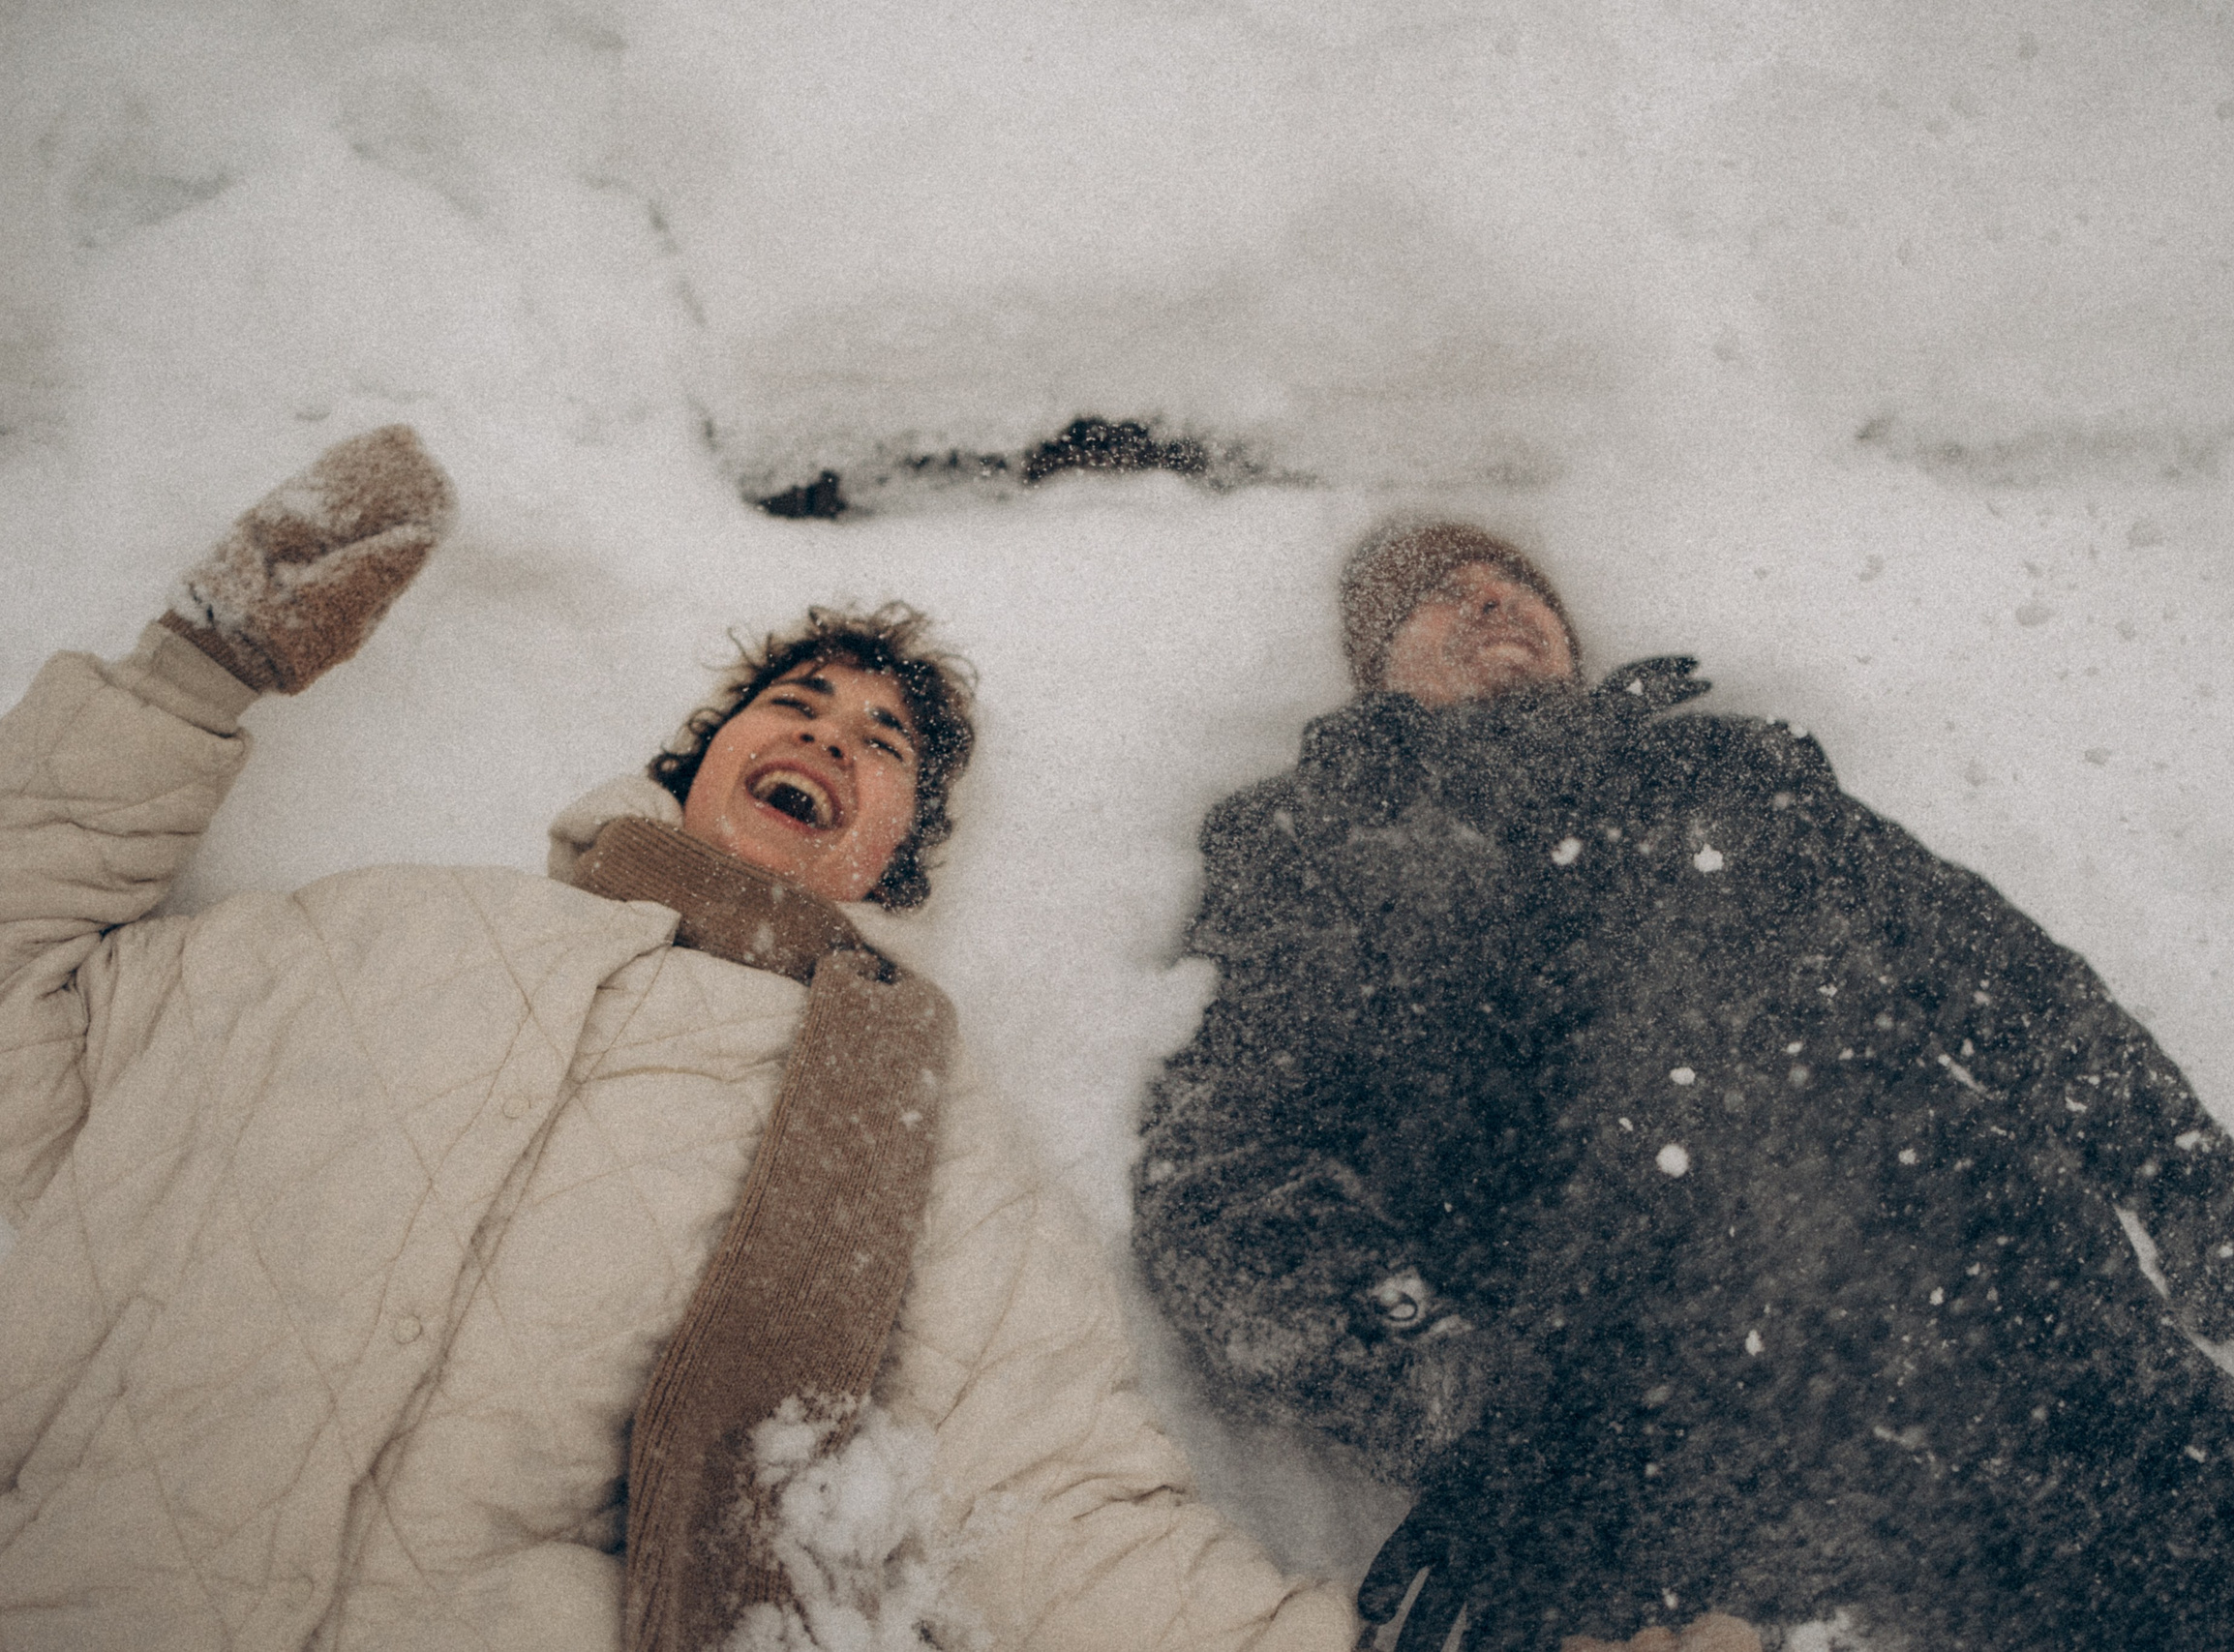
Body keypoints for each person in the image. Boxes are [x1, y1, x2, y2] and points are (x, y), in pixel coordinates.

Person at [0, 428, 1360, 1652]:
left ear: (897, 865)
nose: (829, 738)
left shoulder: (905, 1131)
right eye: (796, 705)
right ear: (695, 761)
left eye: (882, 742)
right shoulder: (381, 932)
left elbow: (1045, 1507)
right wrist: (190, 677)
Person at [1132, 521, 2234, 1651]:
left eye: (1511, 581)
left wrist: (2208, 1199)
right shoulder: (1323, 852)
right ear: (1377, 679)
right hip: (1727, 1485)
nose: (1487, 598)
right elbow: (1221, 1177)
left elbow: (2031, 1007)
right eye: (1434, 596)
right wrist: (1466, 1404)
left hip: (2070, 1382)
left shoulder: (1746, 783)